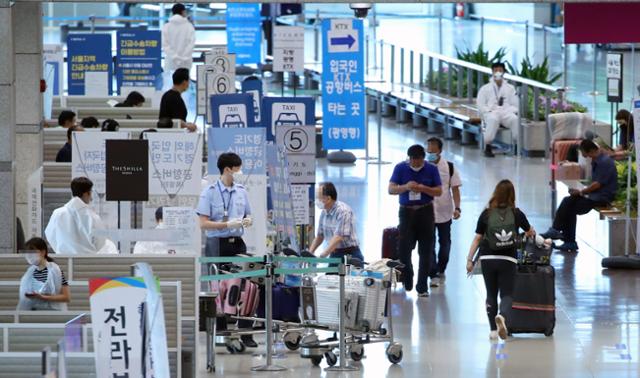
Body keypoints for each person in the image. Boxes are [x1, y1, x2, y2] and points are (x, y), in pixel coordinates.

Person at [196, 152, 256, 347]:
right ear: (228, 169)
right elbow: (203, 224)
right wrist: (225, 224)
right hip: (217, 244)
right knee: (219, 288)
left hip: (238, 242)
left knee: (248, 286)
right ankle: (221, 332)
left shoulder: (241, 191)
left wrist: (247, 220)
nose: (240, 171)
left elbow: (248, 214)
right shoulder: (210, 192)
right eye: (238, 168)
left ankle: (246, 332)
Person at [465, 179, 535, 340]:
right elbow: (530, 232)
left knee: (490, 293)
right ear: (512, 195)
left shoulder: (487, 213)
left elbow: (477, 238)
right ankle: (502, 316)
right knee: (507, 294)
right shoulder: (516, 213)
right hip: (508, 258)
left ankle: (492, 331)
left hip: (488, 258)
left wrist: (470, 260)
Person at [541, 139, 618, 252]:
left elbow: (598, 184)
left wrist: (582, 192)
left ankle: (563, 236)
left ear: (590, 150)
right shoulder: (596, 159)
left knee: (569, 207)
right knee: (568, 201)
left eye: (582, 151)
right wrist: (581, 191)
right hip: (595, 194)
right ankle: (563, 236)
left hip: (602, 197)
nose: (581, 154)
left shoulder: (604, 162)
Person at [389, 144, 442, 297]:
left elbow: (439, 191)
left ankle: (422, 286)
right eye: (413, 161)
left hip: (425, 211)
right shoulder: (400, 168)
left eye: (419, 161)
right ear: (409, 158)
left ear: (423, 159)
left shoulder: (431, 169)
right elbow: (391, 189)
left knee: (426, 251)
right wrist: (406, 187)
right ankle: (408, 276)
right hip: (406, 212)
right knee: (404, 248)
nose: (416, 164)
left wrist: (423, 188)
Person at [44, 177, 115, 254]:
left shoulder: (57, 213)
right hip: (87, 261)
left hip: (64, 259)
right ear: (86, 193)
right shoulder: (93, 217)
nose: (91, 198)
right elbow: (100, 242)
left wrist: (61, 250)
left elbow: (50, 236)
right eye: (90, 193)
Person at [426, 137, 462, 288]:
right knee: (429, 244)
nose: (430, 153)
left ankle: (441, 269)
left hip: (445, 212)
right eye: (428, 150)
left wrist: (457, 208)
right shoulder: (423, 166)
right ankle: (433, 273)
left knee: (445, 243)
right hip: (426, 212)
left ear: (440, 151)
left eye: (433, 151)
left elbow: (455, 189)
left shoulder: (449, 167)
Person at [309, 182, 364, 262]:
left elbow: (339, 237)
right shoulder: (324, 212)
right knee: (329, 274)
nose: (317, 200)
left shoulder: (343, 211)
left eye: (319, 197)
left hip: (350, 254)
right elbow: (319, 236)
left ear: (328, 199)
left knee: (349, 274)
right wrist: (310, 253)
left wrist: (323, 255)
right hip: (335, 253)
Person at [477, 62, 519, 158]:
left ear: (504, 72)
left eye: (500, 70)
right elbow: (481, 104)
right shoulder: (485, 88)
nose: (498, 72)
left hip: (506, 112)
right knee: (493, 120)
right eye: (496, 70)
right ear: (492, 72)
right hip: (492, 112)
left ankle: (517, 146)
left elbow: (516, 104)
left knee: (514, 120)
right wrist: (488, 111)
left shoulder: (510, 88)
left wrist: (510, 111)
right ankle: (488, 146)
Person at [17, 237, 70, 310]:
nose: (29, 255)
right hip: (33, 314)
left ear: (43, 252)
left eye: (32, 251)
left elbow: (66, 297)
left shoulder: (56, 271)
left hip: (52, 314)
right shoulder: (29, 273)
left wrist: (43, 297)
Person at [162, 3, 195, 72]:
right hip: (185, 62)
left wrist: (175, 57)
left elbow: (165, 45)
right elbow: (191, 44)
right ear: (183, 12)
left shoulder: (166, 26)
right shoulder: (189, 26)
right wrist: (183, 58)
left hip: (171, 62)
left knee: (169, 81)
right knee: (184, 82)